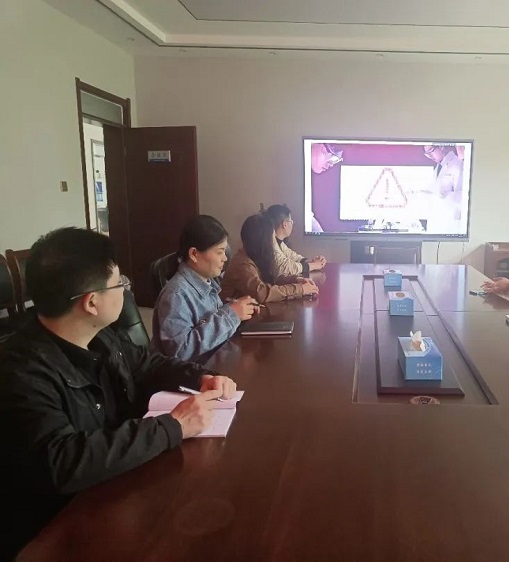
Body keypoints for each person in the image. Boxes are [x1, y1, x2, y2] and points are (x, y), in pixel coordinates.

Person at [0, 228, 238, 559]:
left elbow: (148, 364)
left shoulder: (99, 335)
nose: (126, 290)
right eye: (119, 284)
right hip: (65, 529)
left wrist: (201, 376)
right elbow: (64, 461)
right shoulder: (21, 371)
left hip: (122, 484)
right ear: (91, 302)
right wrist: (173, 426)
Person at [152, 215, 259, 362]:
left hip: (214, 362)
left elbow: (210, 322)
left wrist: (239, 310)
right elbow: (180, 351)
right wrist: (232, 315)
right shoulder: (176, 294)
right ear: (194, 254)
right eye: (219, 252)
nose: (225, 258)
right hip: (193, 373)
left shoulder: (206, 282)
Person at [221, 214, 319, 304]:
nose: (274, 241)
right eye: (272, 237)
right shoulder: (242, 264)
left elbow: (270, 279)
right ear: (263, 241)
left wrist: (295, 280)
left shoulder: (255, 255)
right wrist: (299, 289)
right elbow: (262, 293)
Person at [264, 204, 326, 278]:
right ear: (284, 224)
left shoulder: (279, 242)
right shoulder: (269, 242)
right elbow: (284, 267)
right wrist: (314, 265)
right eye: (291, 221)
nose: (292, 224)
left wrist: (312, 261)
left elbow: (292, 256)